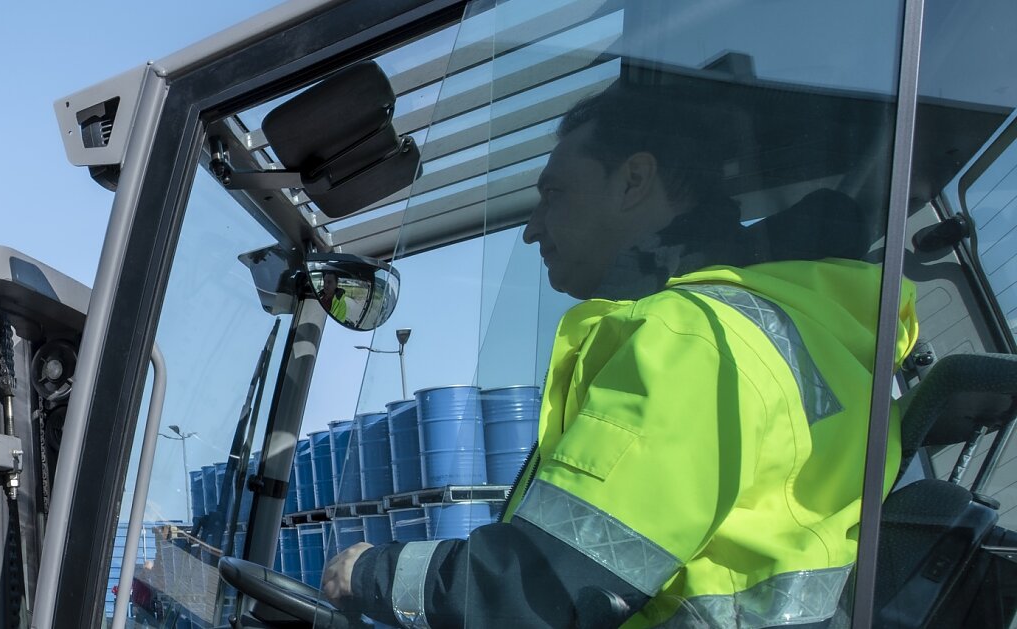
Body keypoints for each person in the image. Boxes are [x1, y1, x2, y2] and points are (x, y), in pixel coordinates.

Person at [318, 83, 918, 627]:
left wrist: (369, 571)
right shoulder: (795, 323)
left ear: (634, 180)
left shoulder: (691, 339)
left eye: (553, 193)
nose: (531, 229)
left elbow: (544, 589)